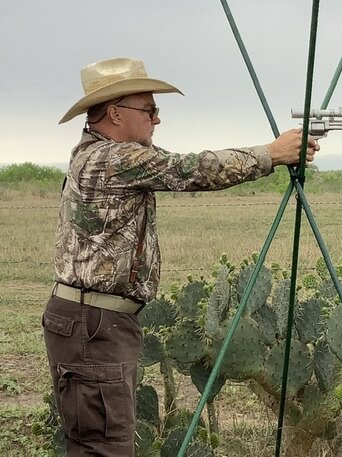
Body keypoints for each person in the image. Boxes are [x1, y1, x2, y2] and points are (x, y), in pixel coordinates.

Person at [42, 57, 318, 456]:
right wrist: (271, 153)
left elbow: (187, 165)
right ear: (115, 113)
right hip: (94, 325)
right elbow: (191, 169)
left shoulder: (104, 155)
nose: (157, 119)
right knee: (106, 447)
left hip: (94, 322)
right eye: (150, 109)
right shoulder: (114, 159)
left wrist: (269, 154)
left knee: (96, 443)